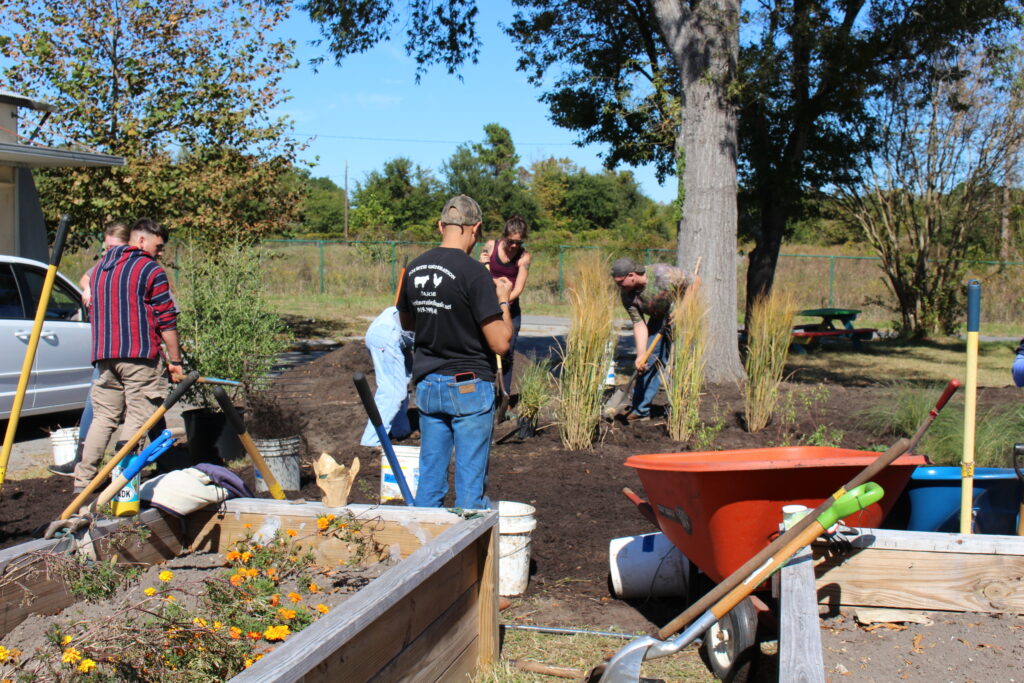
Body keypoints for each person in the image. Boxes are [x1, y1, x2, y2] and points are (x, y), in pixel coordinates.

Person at [397, 194, 513, 509]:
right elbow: (500, 342)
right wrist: (502, 299)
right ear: (474, 229)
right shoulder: (475, 273)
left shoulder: (415, 268)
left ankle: (424, 552)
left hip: (428, 385)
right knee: (469, 492)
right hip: (468, 387)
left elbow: (408, 321)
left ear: (440, 226)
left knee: (430, 483)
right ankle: (470, 555)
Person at [71, 218, 183, 492]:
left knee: (104, 417)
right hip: (139, 356)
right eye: (158, 246)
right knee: (139, 415)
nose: (160, 253)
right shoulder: (149, 269)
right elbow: (166, 319)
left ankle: (83, 481)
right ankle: (120, 479)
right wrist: (176, 361)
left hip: (105, 356)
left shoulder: (100, 270)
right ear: (141, 240)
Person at [611, 257, 695, 420]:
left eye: (621, 282)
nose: (619, 286)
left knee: (683, 362)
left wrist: (682, 309)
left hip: (685, 317)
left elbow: (695, 282)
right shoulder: (627, 296)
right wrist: (641, 354)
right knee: (647, 362)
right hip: (658, 319)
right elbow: (639, 324)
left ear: (632, 275)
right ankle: (641, 410)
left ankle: (683, 412)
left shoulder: (662, 274)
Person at [479, 215, 532, 394]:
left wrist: (504, 301)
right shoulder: (490, 246)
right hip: (488, 306)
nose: (514, 246)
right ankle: (485, 391)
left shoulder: (523, 257)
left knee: (507, 352)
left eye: (519, 242)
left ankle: (504, 396)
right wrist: (482, 263)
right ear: (504, 236)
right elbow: (480, 275)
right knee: (485, 348)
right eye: (511, 241)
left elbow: (518, 289)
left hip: (510, 308)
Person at [359, 305, 415, 447]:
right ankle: (371, 442)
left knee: (402, 382)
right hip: (387, 335)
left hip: (395, 334)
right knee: (392, 391)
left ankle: (400, 431)